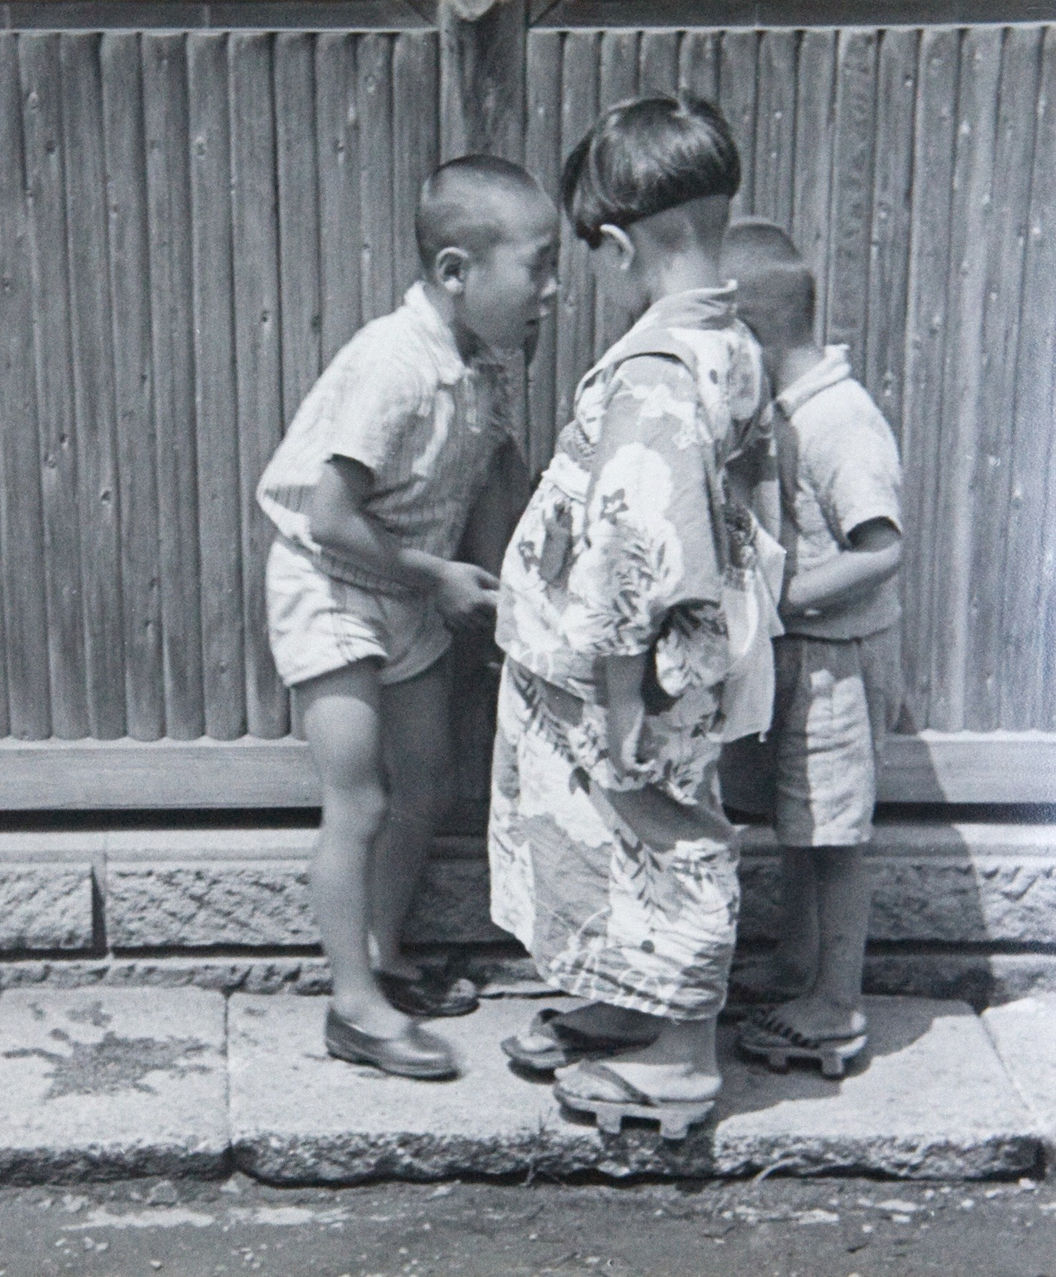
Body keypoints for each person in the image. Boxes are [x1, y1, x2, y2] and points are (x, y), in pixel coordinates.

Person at [487, 93, 776, 1137]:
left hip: (632, 665)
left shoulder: (655, 373)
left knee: (664, 829)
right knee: (609, 834)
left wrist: (618, 691)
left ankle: (682, 1052)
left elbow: (635, 554)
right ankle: (624, 996)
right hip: (668, 655)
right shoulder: (728, 341)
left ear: (612, 244)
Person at [257, 155, 560, 1079]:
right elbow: (329, 515)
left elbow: (497, 478)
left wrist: (518, 592)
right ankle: (351, 1006)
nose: (552, 290)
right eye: (538, 268)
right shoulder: (396, 361)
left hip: (409, 587)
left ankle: (383, 958)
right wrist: (438, 578)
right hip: (332, 584)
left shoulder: (482, 363)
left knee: (428, 781)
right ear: (457, 272)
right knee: (360, 797)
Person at [719, 219, 904, 1078]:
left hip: (837, 661)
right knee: (803, 825)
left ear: (746, 332)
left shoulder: (839, 422)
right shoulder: (785, 414)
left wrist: (783, 597)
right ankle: (797, 968)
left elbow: (882, 549)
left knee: (834, 839)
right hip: (802, 655)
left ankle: (835, 1006)